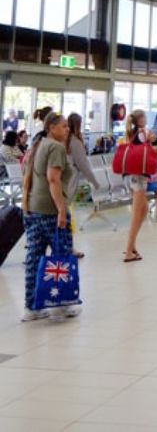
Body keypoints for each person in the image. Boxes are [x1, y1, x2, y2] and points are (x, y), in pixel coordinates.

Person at [21, 112, 78, 322]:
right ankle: (61, 303)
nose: (67, 129)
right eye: (63, 126)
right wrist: (62, 210)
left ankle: (31, 306)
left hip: (33, 208)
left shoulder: (38, 145)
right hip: (52, 212)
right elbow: (54, 180)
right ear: (52, 127)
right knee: (61, 257)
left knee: (34, 258)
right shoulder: (56, 147)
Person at [66, 113, 101, 258]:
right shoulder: (75, 142)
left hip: (63, 183)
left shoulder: (64, 141)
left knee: (63, 217)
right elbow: (84, 165)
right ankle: (69, 249)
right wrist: (95, 182)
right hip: (69, 185)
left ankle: (66, 248)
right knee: (67, 217)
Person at [123, 110, 150, 262]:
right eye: (144, 116)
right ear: (140, 120)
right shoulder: (141, 133)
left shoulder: (132, 133)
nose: (146, 119)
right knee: (137, 213)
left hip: (134, 174)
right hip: (138, 176)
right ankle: (128, 250)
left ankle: (131, 246)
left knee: (144, 209)